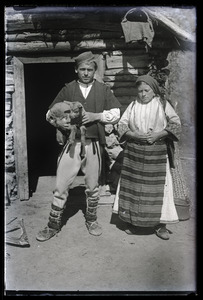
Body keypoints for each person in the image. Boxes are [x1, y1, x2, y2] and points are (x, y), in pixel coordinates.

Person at [36, 51, 121, 241]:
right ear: (76, 70)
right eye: (82, 69)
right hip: (71, 143)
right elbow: (49, 113)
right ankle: (53, 225)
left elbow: (116, 112)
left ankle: (91, 220)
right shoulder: (68, 89)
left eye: (89, 69)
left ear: (94, 71)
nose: (85, 73)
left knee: (92, 185)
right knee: (61, 184)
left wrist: (96, 116)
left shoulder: (103, 89)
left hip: (93, 144)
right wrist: (59, 123)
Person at [116, 74, 182, 240]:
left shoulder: (162, 104)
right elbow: (122, 125)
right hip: (135, 153)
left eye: (146, 90)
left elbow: (176, 124)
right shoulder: (133, 105)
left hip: (157, 153)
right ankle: (133, 221)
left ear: (154, 91)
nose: (143, 94)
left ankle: (160, 225)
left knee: (158, 190)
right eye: (140, 91)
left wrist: (158, 135)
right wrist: (135, 135)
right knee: (134, 188)